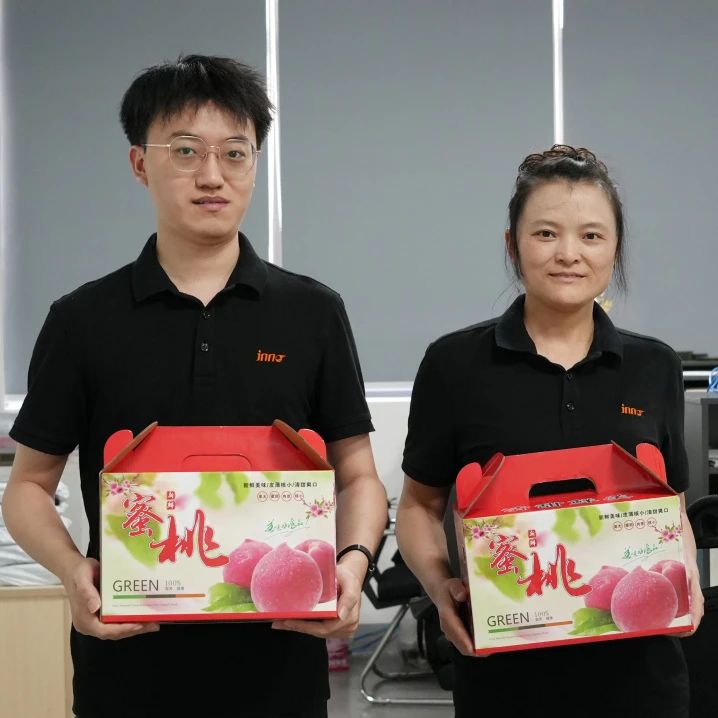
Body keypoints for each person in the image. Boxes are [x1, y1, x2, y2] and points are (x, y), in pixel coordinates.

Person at [1, 55, 387, 718]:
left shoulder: (312, 313)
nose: (213, 175)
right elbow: (29, 486)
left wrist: (351, 566)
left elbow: (357, 477)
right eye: (185, 151)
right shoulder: (83, 320)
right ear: (139, 164)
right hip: (128, 665)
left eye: (235, 152)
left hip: (281, 666)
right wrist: (71, 571)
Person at [396, 145, 704, 718]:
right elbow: (418, 504)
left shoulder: (653, 365)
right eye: (545, 234)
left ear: (615, 248)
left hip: (640, 673)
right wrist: (441, 589)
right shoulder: (455, 364)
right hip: (506, 674)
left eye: (591, 236)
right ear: (512, 245)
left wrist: (684, 572)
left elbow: (672, 509)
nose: (568, 254)